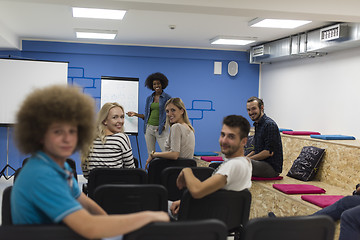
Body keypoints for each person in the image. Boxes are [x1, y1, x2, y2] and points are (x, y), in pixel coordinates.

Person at [11, 85, 169, 239]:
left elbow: (85, 202)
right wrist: (147, 216)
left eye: (73, 131)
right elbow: (90, 228)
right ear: (39, 134)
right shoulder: (41, 175)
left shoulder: (60, 166)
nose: (68, 138)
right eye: (58, 131)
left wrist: (108, 219)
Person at [170, 115, 252, 217]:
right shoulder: (245, 162)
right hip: (218, 216)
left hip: (203, 219)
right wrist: (184, 201)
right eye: (223, 135)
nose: (224, 141)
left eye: (231, 137)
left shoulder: (233, 165)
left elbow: (197, 191)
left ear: (244, 141)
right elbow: (216, 194)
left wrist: (186, 171)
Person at [81, 102, 136, 179]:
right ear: (104, 121)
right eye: (115, 117)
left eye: (122, 117)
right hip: (117, 189)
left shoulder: (88, 139)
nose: (120, 121)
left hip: (95, 189)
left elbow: (86, 175)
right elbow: (131, 171)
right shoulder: (121, 138)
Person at [127, 72, 171, 154]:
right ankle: (152, 167)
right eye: (154, 84)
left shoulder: (168, 98)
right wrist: (135, 114)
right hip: (149, 128)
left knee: (167, 152)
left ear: (162, 84)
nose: (156, 86)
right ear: (151, 85)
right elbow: (146, 116)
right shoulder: (149, 98)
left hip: (161, 129)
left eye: (158, 83)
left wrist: (164, 125)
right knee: (151, 153)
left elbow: (170, 115)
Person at [145, 97, 195, 169]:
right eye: (167, 111)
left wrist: (153, 154)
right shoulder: (189, 128)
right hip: (184, 172)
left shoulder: (176, 127)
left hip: (174, 172)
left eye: (173, 110)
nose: (169, 114)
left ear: (182, 111)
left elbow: (174, 154)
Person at [246, 96, 283, 178]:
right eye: (248, 110)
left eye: (253, 109)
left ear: (261, 108)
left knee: (240, 166)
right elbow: (256, 150)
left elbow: (268, 152)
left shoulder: (269, 125)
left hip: (271, 168)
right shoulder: (257, 125)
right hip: (260, 163)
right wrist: (243, 159)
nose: (251, 112)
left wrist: (247, 160)